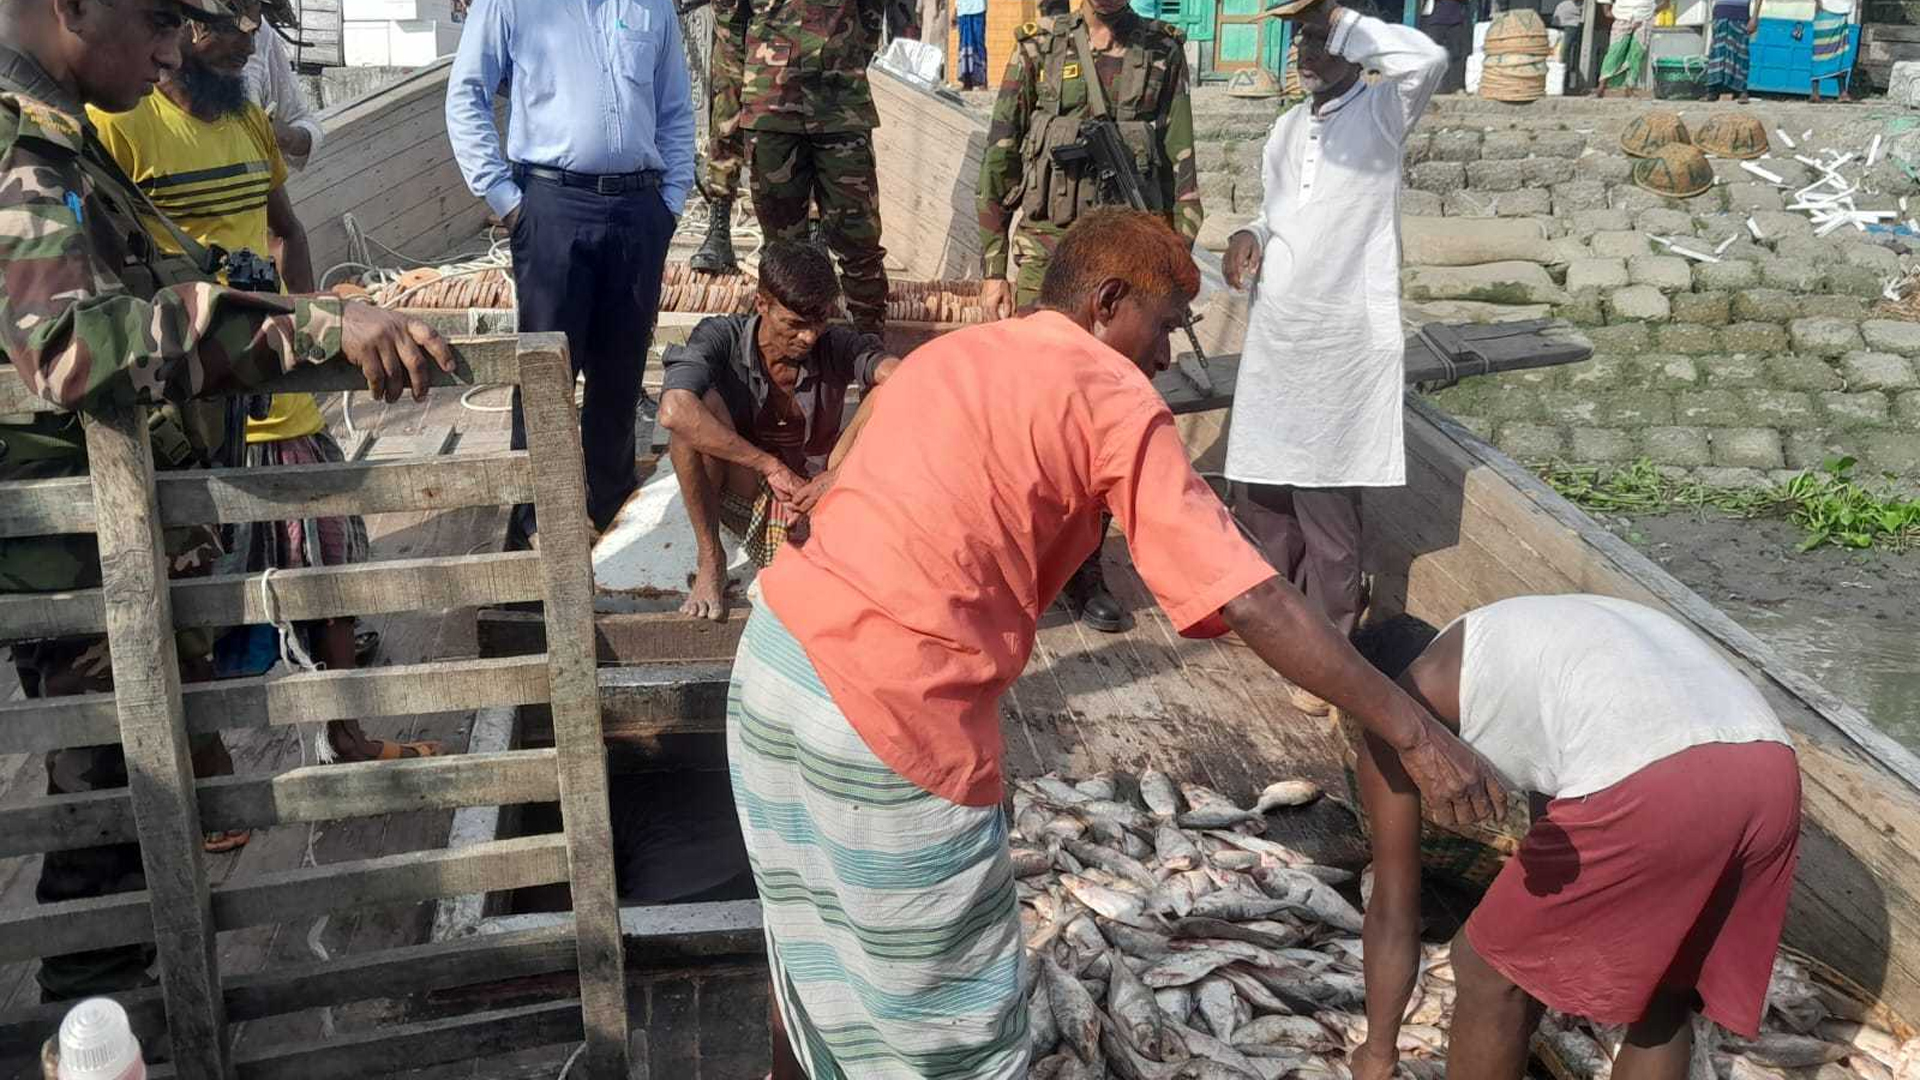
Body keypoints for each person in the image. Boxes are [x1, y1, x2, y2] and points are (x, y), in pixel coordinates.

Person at [725, 208, 1506, 1080]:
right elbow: (1252, 600)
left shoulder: (955, 354)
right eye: (1167, 324)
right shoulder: (1110, 392)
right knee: (952, 1034)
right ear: (1106, 303)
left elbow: (842, 480)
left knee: (811, 947)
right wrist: (1413, 730)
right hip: (887, 719)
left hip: (774, 662)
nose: (1170, 355)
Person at [0, 0, 455, 1002]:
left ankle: (138, 1022)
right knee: (113, 837)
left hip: (118, 545)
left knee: (144, 829)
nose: (169, 50)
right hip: (77, 564)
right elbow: (73, 346)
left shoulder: (64, 137)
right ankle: (110, 1036)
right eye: (155, 19)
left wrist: (312, 308)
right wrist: (304, 332)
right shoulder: (22, 147)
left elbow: (177, 273)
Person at [89, 2, 440, 776]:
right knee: (195, 593)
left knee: (333, 561)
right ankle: (209, 770)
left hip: (282, 384)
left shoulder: (249, 119)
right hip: (192, 406)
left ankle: (344, 734)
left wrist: (314, 333)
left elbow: (286, 229)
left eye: (257, 26)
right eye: (228, 27)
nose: (249, 44)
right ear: (174, 28)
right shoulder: (115, 127)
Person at [1347, 596, 1802, 1080]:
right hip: (1769, 769)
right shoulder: (1501, 645)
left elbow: (1394, 909)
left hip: (1652, 776)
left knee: (1483, 969)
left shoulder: (1397, 717)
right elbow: (1559, 829)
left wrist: (1377, 1054)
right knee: (1663, 991)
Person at [1220, 0, 1445, 714]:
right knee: (1264, 496)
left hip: (1340, 344)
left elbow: (1428, 58)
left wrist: (1341, 14)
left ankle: (1330, 654)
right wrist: (1249, 232)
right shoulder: (1286, 129)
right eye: (1300, 40)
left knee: (1326, 506)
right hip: (1279, 336)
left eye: (1320, 39)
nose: (1305, 52)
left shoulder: (1382, 114)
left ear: (1353, 44)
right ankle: (1276, 629)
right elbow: (1278, 208)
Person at [975, 0, 1200, 634]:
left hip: (1128, 276)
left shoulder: (1162, 51)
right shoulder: (1035, 49)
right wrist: (993, 264)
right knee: (1022, 413)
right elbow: (1001, 156)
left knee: (1112, 419)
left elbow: (1183, 170)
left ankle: (1085, 566)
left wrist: (1175, 275)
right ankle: (1009, 554)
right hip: (1047, 258)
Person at [446, 0, 697, 550]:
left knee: (622, 371)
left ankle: (608, 511)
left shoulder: (652, 6)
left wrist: (670, 201)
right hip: (551, 205)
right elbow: (467, 94)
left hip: (638, 209)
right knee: (545, 369)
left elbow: (676, 108)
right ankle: (536, 517)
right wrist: (506, 201)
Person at [657, 242, 901, 622]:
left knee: (889, 390)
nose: (808, 337)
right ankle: (711, 558)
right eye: (794, 324)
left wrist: (838, 474)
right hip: (743, 487)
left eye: (818, 322)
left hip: (818, 493)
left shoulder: (835, 343)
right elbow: (673, 410)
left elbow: (904, 378)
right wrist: (768, 465)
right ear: (762, 304)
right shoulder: (721, 336)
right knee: (695, 414)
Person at [737, 0, 916, 337]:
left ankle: (868, 352)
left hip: (841, 106)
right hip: (772, 105)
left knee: (858, 240)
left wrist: (842, 59)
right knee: (781, 245)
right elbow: (732, 19)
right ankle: (785, 357)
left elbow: (871, 18)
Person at [689, 0, 751, 274]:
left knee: (799, 130)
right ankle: (719, 232)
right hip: (734, 29)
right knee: (725, 123)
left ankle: (814, 233)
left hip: (800, 32)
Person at [239, 0, 321, 168]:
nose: (249, 48)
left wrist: (289, 137)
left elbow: (301, 120)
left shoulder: (261, 35)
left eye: (253, 32)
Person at [1595, 0, 1668, 98]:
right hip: (1623, 16)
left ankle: (1629, 88)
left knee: (1636, 53)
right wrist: (1607, 11)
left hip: (1644, 18)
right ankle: (1601, 87)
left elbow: (1666, 3)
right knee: (1615, 52)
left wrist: (1652, 12)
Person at [1420, 0, 1472, 93]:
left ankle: (1456, 87)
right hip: (1434, 19)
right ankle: (1428, 85)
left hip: (1457, 19)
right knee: (1432, 54)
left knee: (1456, 54)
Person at [1809, 0, 1853, 102]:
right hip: (1826, 12)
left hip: (1840, 14)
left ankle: (1841, 92)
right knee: (1823, 52)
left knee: (1839, 53)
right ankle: (1816, 93)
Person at [1552, 0, 1583, 93]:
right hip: (1561, 27)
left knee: (1565, 55)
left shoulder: (1583, 5)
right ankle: (1563, 82)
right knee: (1561, 55)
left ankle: (1566, 83)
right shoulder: (1564, 5)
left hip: (1572, 26)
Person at [956, 0, 987, 88]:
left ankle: (982, 80)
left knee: (978, 43)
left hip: (978, 8)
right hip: (962, 10)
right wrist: (955, 9)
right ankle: (967, 80)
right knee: (964, 44)